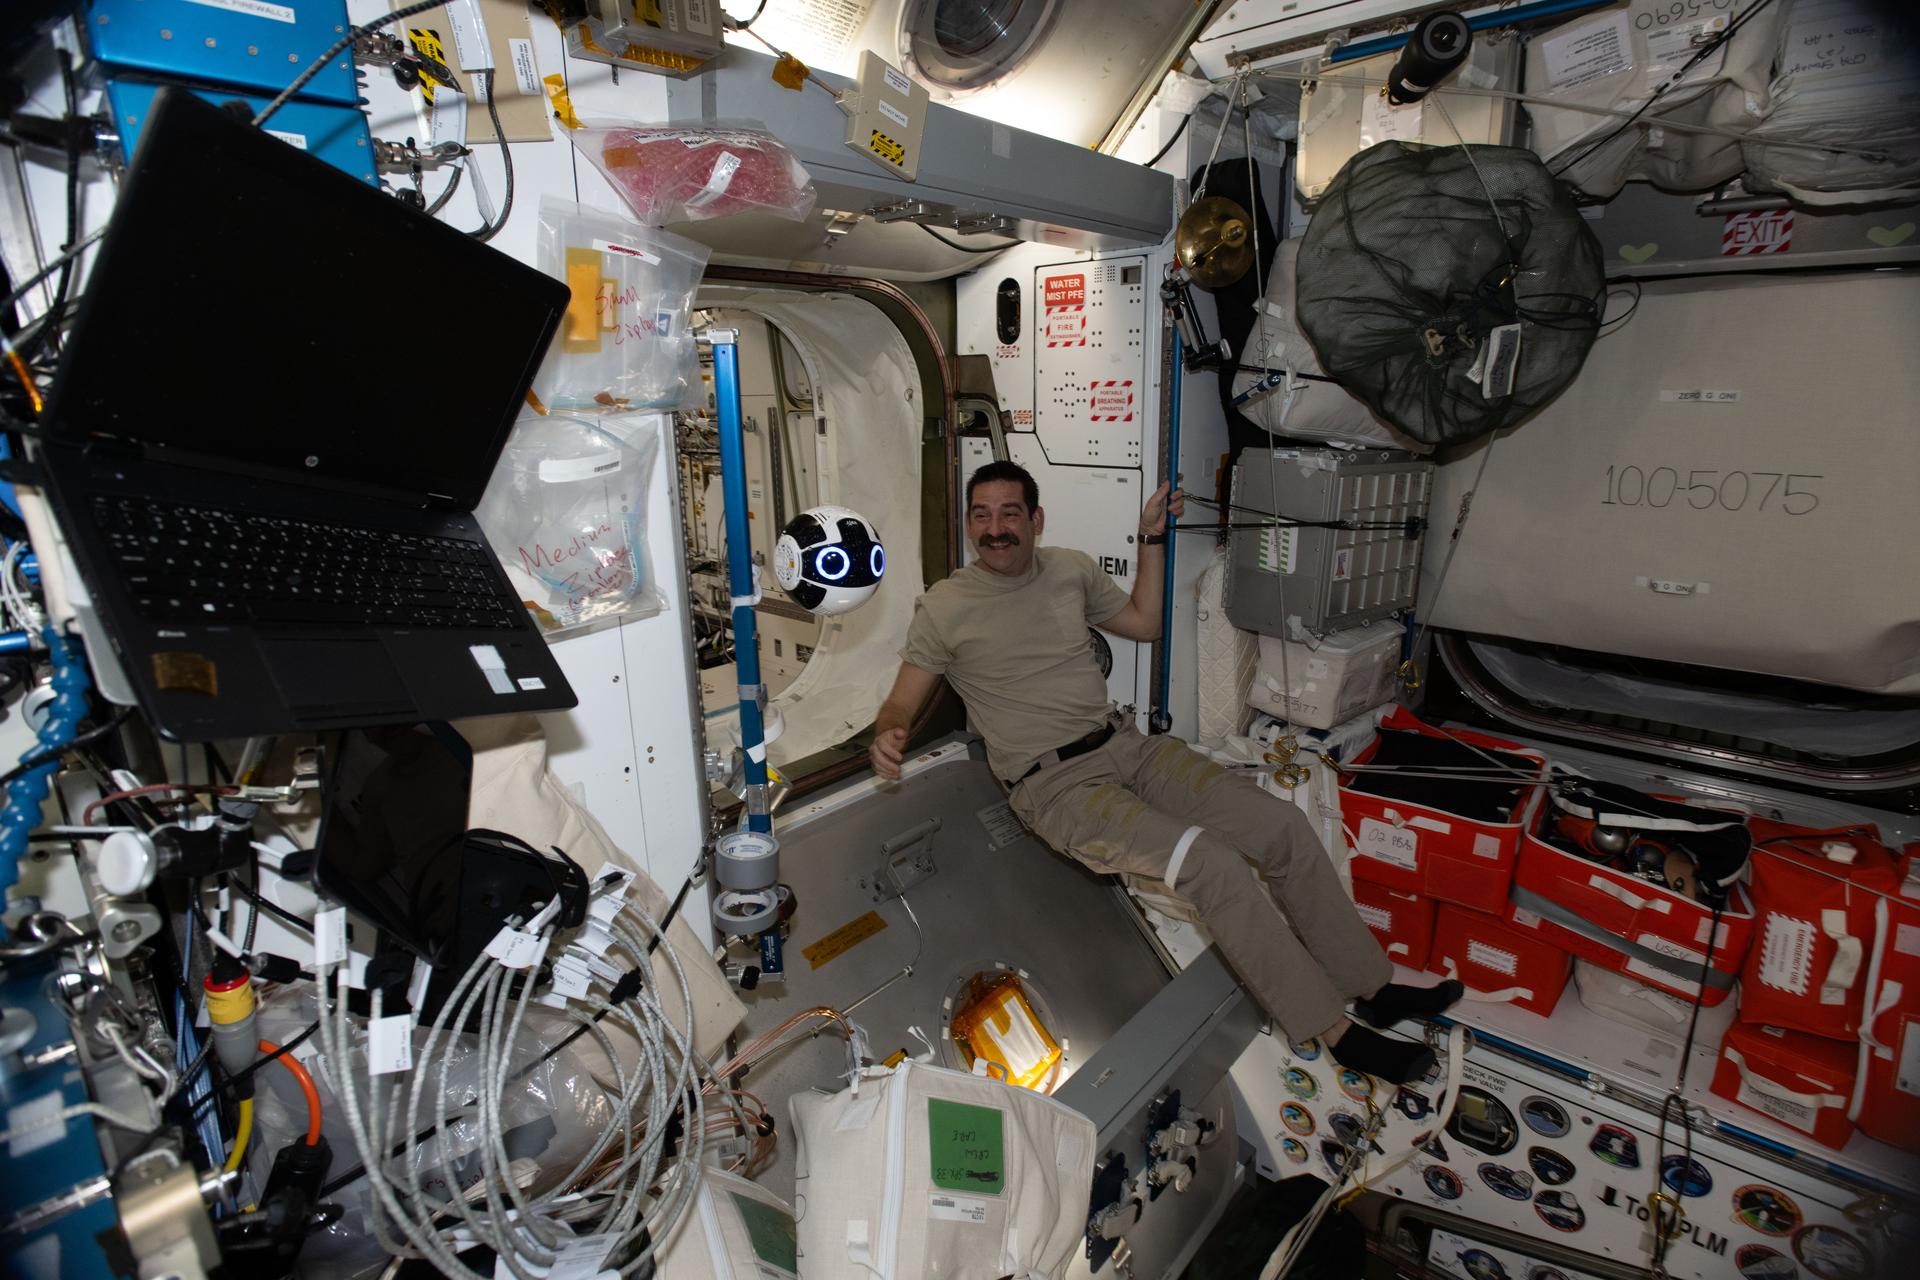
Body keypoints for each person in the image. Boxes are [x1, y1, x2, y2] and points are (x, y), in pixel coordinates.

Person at [870, 461, 1459, 1083]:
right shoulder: (945, 606)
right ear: (968, 525)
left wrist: (1150, 536)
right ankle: (1336, 1033)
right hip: (1058, 789)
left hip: (1128, 749)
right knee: (1211, 864)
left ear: (1035, 520)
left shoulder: (1069, 570)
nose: (995, 529)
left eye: (1009, 513)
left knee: (1280, 827)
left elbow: (1143, 624)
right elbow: (903, 699)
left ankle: (1371, 988)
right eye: (981, 516)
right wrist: (890, 729)